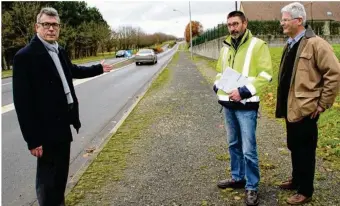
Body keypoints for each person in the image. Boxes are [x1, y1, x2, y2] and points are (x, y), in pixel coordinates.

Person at [12, 7, 113, 206]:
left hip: (63, 124)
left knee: (60, 178)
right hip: (45, 129)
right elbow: (23, 103)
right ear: (37, 27)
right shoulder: (25, 56)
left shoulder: (59, 50)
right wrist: (32, 139)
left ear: (59, 27)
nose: (51, 29)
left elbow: (73, 70)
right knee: (48, 181)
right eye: (46, 25)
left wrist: (99, 68)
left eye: (55, 25)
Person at [275, 2, 340, 205]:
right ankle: (296, 179)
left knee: (305, 149)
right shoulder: (290, 43)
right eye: (282, 19)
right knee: (294, 146)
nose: (281, 23)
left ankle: (305, 190)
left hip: (307, 108)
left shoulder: (316, 43)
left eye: (285, 19)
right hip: (290, 106)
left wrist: (322, 104)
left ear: (299, 20)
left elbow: (334, 74)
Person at [213, 11, 273, 206]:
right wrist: (217, 85)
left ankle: (252, 186)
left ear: (245, 23)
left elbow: (266, 76)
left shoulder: (258, 45)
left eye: (236, 24)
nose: (233, 28)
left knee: (248, 148)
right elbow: (219, 72)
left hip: (246, 105)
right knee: (233, 144)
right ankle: (238, 178)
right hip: (228, 105)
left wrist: (244, 91)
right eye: (229, 25)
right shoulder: (225, 47)